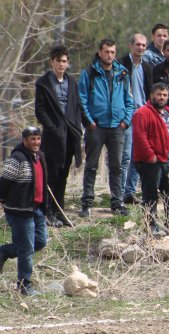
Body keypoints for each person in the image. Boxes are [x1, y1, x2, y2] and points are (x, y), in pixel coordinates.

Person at [78, 39, 135, 218]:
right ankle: (87, 203)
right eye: (107, 52)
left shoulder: (122, 73)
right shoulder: (89, 73)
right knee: (92, 166)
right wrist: (89, 122)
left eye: (113, 52)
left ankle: (117, 203)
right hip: (96, 126)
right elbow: (82, 100)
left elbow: (130, 100)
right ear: (100, 52)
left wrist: (126, 121)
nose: (110, 55)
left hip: (117, 127)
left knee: (117, 167)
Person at [34, 44, 83, 228]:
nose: (61, 65)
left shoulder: (72, 82)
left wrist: (76, 125)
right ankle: (47, 212)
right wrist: (52, 127)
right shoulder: (44, 83)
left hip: (70, 134)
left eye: (64, 61)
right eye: (58, 61)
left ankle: (59, 211)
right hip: (53, 136)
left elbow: (77, 106)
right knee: (51, 175)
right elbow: (40, 110)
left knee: (64, 174)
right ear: (52, 62)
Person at [0, 127, 49, 296]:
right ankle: (24, 285)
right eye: (32, 139)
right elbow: (4, 183)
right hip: (20, 210)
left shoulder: (39, 156)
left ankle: (4, 251)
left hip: (37, 209)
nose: (36, 142)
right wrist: (4, 200)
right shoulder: (17, 159)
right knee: (26, 249)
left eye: (38, 139)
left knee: (40, 242)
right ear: (24, 140)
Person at [132, 82, 169, 237]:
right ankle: (151, 226)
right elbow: (140, 137)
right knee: (150, 195)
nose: (162, 98)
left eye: (165, 95)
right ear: (151, 95)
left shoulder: (168, 112)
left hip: (168, 161)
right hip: (151, 162)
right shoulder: (143, 113)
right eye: (159, 94)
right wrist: (150, 156)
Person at [119, 33, 154, 205]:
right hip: (126, 116)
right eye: (138, 44)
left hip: (142, 116)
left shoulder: (147, 66)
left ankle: (129, 192)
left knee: (137, 157)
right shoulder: (121, 65)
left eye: (144, 45)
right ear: (131, 45)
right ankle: (118, 194)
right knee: (124, 156)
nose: (141, 47)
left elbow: (150, 91)